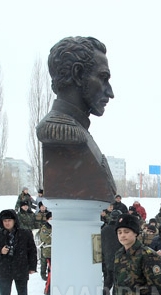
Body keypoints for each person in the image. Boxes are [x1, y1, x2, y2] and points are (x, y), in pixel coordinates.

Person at [36, 36, 116, 200]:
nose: (110, 92)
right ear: (78, 74)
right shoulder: (62, 132)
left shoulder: (81, 133)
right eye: (103, 78)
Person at [113, 214, 161, 295]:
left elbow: (158, 288)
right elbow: (118, 284)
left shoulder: (148, 255)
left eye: (126, 231)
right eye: (119, 232)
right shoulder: (119, 254)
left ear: (135, 233)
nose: (122, 235)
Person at [101, 210, 122, 295]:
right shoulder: (120, 230)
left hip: (107, 257)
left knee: (108, 278)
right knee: (117, 279)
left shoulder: (104, 229)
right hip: (119, 256)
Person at [39, 211, 53, 295]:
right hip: (48, 252)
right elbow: (46, 239)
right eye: (51, 219)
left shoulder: (57, 227)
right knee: (51, 270)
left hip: (56, 252)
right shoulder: (44, 228)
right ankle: (47, 289)